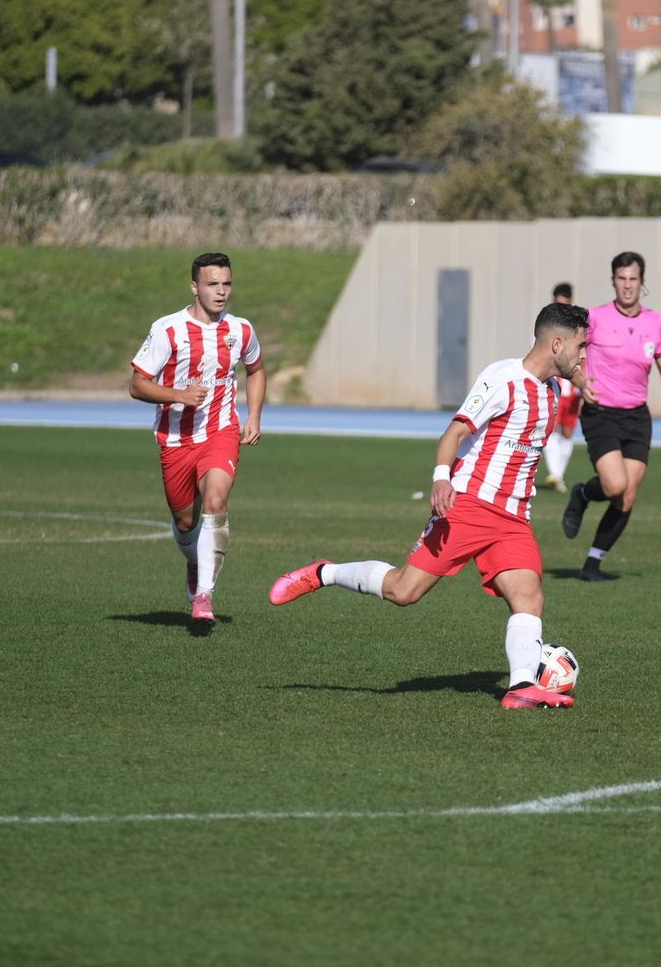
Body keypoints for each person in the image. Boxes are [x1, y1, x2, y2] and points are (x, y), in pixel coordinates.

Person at [268, 302, 589, 710]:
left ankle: (521, 686)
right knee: (404, 591)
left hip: (513, 517)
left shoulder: (554, 390)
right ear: (557, 342)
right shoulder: (503, 379)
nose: (584, 355)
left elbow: (571, 370)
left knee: (529, 596)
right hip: (468, 505)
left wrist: (584, 378)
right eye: (581, 346)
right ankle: (324, 572)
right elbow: (454, 432)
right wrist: (441, 479)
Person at [129, 251, 265, 628]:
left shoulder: (241, 330)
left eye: (227, 284)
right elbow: (137, 385)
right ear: (194, 287)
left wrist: (253, 416)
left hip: (221, 432)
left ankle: (204, 594)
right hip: (175, 441)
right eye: (212, 284)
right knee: (185, 520)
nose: (221, 292)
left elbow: (256, 369)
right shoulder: (168, 330)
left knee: (217, 499)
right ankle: (194, 562)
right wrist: (179, 395)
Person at [562, 251, 661, 582]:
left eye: (633, 279)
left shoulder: (656, 324)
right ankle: (582, 494)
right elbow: (568, 360)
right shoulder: (594, 318)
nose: (628, 286)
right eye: (622, 279)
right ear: (613, 281)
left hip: (637, 417)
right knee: (615, 484)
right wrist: (580, 380)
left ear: (642, 282)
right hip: (600, 412)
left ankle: (592, 566)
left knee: (627, 494)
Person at [540, 282, 582, 493]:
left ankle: (559, 475)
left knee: (567, 433)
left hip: (573, 391)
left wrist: (583, 389)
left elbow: (584, 359)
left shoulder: (578, 328)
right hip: (554, 388)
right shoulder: (545, 328)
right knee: (551, 431)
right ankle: (555, 475)